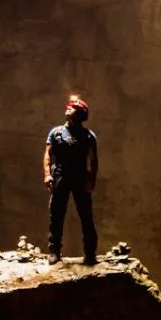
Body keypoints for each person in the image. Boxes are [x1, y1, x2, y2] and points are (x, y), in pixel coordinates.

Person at [43, 95, 98, 265]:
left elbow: (93, 159)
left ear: (80, 113)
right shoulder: (57, 132)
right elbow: (47, 154)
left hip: (80, 179)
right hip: (60, 177)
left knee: (86, 216)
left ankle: (90, 253)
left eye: (72, 107)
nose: (68, 109)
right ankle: (54, 251)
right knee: (56, 215)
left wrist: (91, 179)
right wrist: (47, 174)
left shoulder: (88, 136)